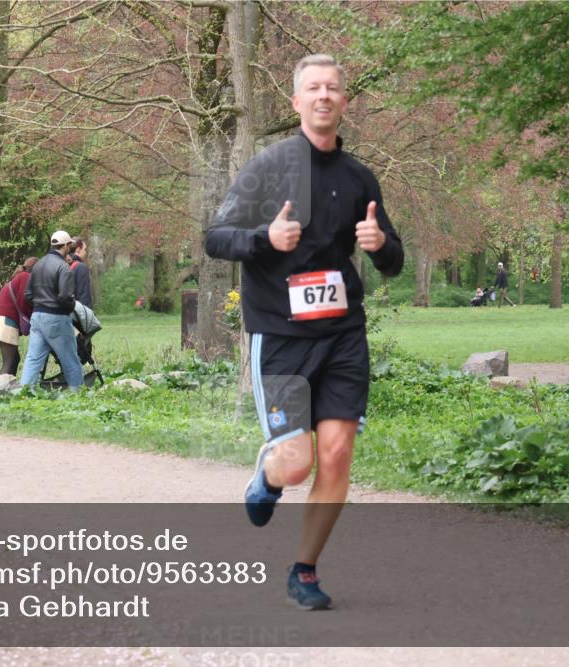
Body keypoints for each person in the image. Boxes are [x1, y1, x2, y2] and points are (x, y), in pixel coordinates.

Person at [204, 54, 404, 610]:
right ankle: (269, 477)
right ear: (296, 103)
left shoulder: (359, 176)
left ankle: (305, 570)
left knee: (337, 455)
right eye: (312, 88)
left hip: (342, 334)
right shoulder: (267, 168)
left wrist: (380, 245)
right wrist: (266, 239)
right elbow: (215, 237)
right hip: (282, 336)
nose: (323, 96)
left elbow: (392, 259)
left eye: (333, 88)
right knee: (298, 463)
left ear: (344, 103)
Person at [20, 230, 84, 389]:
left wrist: (41, 304)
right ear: (67, 245)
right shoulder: (63, 267)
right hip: (56, 318)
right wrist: (72, 305)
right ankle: (80, 394)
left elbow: (27, 295)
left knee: (33, 359)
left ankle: (24, 393)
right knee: (70, 359)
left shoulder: (38, 264)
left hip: (37, 317)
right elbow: (64, 297)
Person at [0, 257, 38, 376]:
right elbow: (24, 301)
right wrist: (34, 318)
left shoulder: (19, 276)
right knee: (9, 363)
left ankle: (7, 388)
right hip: (6, 322)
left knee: (14, 359)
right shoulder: (25, 277)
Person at [68, 238, 94, 308]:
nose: (85, 252)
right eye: (84, 249)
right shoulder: (81, 267)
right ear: (78, 249)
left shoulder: (61, 264)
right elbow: (84, 295)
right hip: (76, 311)